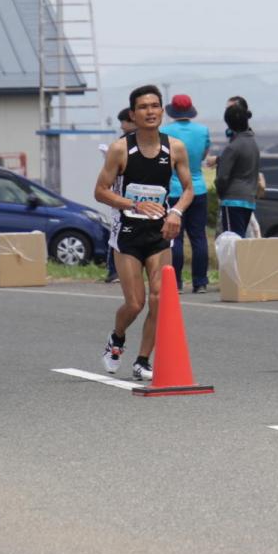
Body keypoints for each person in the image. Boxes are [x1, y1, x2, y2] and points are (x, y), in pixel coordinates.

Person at [95, 85, 194, 381]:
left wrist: (175, 212)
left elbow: (188, 189)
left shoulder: (174, 147)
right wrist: (133, 203)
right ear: (133, 114)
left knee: (159, 298)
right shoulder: (120, 149)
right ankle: (117, 337)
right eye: (143, 107)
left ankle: (142, 360)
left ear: (162, 111)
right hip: (127, 233)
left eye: (155, 106)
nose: (150, 111)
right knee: (135, 303)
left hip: (159, 230)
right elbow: (100, 191)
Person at [161, 94, 211, 293]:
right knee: (199, 237)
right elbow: (204, 155)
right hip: (198, 188)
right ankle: (200, 282)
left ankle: (176, 282)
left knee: (175, 238)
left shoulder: (164, 131)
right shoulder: (203, 131)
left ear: (172, 111)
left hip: (174, 189)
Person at [100, 107, 137, 285]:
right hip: (134, 197)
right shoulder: (146, 141)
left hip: (122, 197)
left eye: (124, 122)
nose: (122, 126)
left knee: (116, 234)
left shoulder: (121, 144)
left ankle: (114, 271)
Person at [215, 102, 261, 235]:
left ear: (229, 124)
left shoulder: (233, 147)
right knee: (240, 240)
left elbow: (222, 178)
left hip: (232, 200)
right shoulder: (253, 143)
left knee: (232, 240)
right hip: (249, 200)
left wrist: (220, 191)